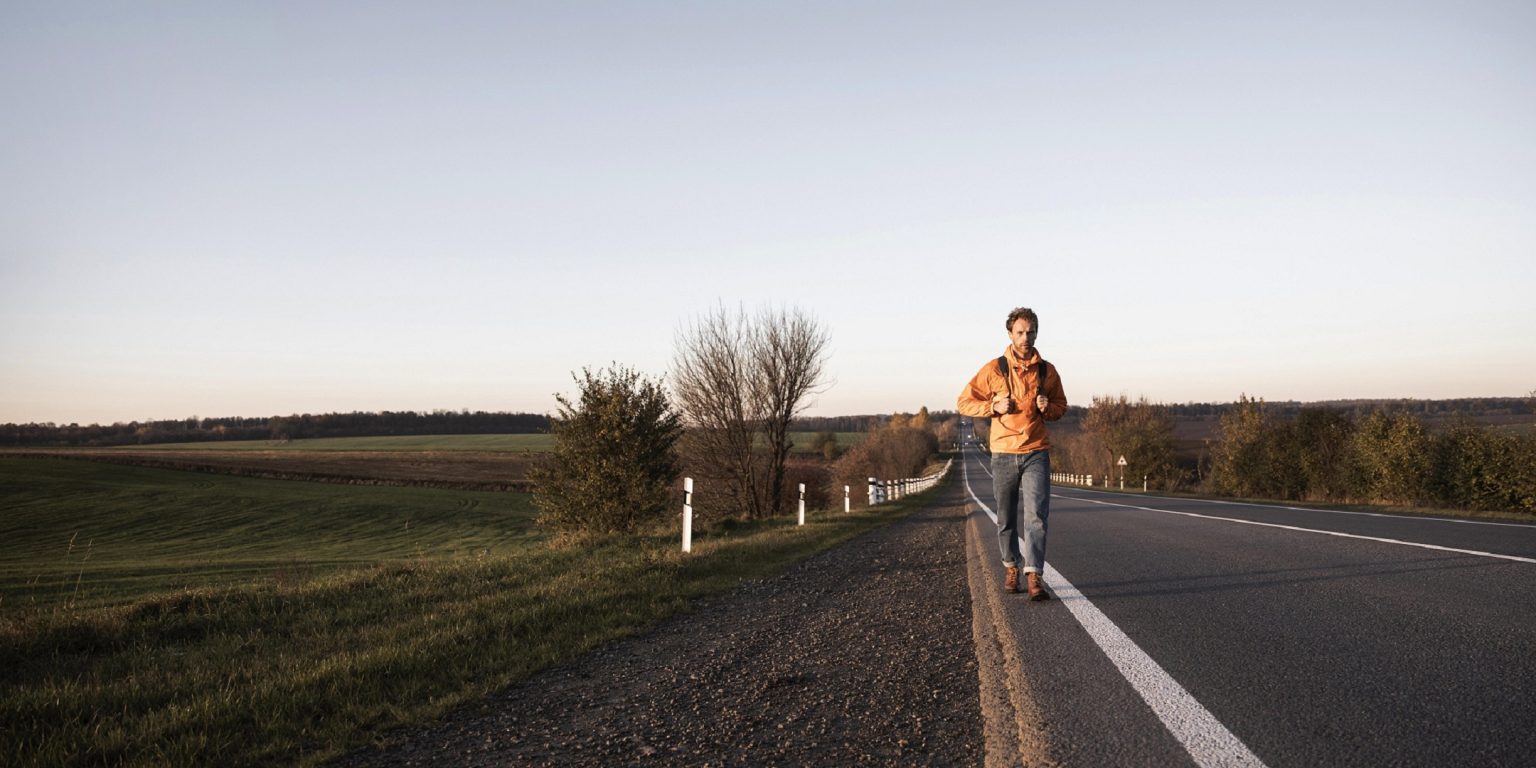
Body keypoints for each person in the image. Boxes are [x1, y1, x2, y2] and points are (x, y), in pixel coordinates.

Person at [957, 307, 1068, 600]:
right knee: (1005, 517)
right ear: (1010, 334)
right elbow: (964, 402)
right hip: (1003, 452)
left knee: (1037, 517)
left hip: (1036, 451)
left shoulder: (1047, 370)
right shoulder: (994, 369)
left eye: (1030, 331)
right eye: (1020, 332)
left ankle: (1034, 577)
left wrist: (1048, 408)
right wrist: (992, 407)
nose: (1025, 337)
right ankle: (1011, 567)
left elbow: (1061, 407)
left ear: (1036, 332)